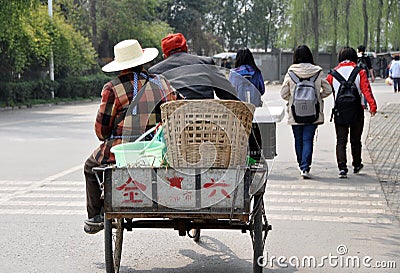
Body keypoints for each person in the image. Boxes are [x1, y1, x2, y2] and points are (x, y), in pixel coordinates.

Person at [83, 39, 178, 234]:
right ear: (143, 61)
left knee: (90, 167)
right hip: (160, 150)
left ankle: (95, 217)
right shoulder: (162, 83)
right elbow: (178, 110)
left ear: (120, 65)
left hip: (124, 151)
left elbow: (101, 131)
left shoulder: (113, 89)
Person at [280, 45, 332, 179]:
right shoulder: (317, 71)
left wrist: (293, 99)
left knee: (298, 139)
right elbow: (328, 89)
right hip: (313, 111)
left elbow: (283, 93)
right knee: (308, 139)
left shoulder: (291, 72)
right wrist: (317, 97)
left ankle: (301, 165)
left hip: (295, 112)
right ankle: (305, 167)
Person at [326, 46, 377, 179]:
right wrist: (372, 106)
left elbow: (325, 90)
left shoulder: (332, 74)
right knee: (356, 140)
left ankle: (342, 168)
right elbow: (366, 90)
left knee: (341, 141)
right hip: (356, 111)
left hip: (340, 112)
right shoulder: (359, 71)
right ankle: (356, 164)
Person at [148, 33, 238, 100]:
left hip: (172, 120)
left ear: (165, 56)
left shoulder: (154, 71)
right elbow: (228, 92)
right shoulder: (205, 62)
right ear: (186, 49)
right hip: (207, 118)